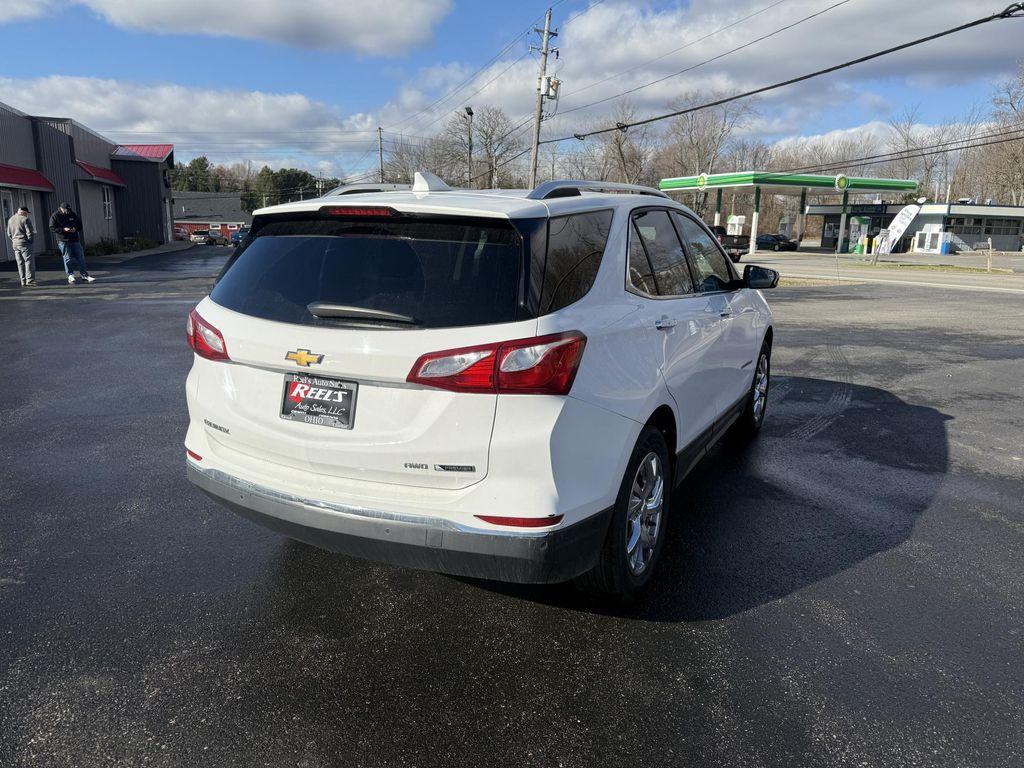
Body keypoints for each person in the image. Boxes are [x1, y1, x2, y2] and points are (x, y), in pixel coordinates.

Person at [49, 202, 95, 284]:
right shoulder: (55, 215)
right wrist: (63, 229)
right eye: (66, 209)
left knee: (81, 257)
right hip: (63, 240)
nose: (68, 211)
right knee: (67, 258)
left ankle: (85, 275)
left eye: (69, 209)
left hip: (75, 239)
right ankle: (70, 275)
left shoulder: (72, 214)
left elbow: (79, 225)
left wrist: (75, 229)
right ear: (61, 208)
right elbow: (52, 227)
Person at [6, 205, 37, 287]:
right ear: (24, 212)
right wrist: (30, 241)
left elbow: (9, 233)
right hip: (25, 243)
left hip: (15, 244)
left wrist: (14, 240)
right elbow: (30, 233)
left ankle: (23, 281)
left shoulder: (11, 219)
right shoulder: (25, 219)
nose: (27, 215)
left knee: (20, 263)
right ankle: (30, 281)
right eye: (27, 213)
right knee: (29, 262)